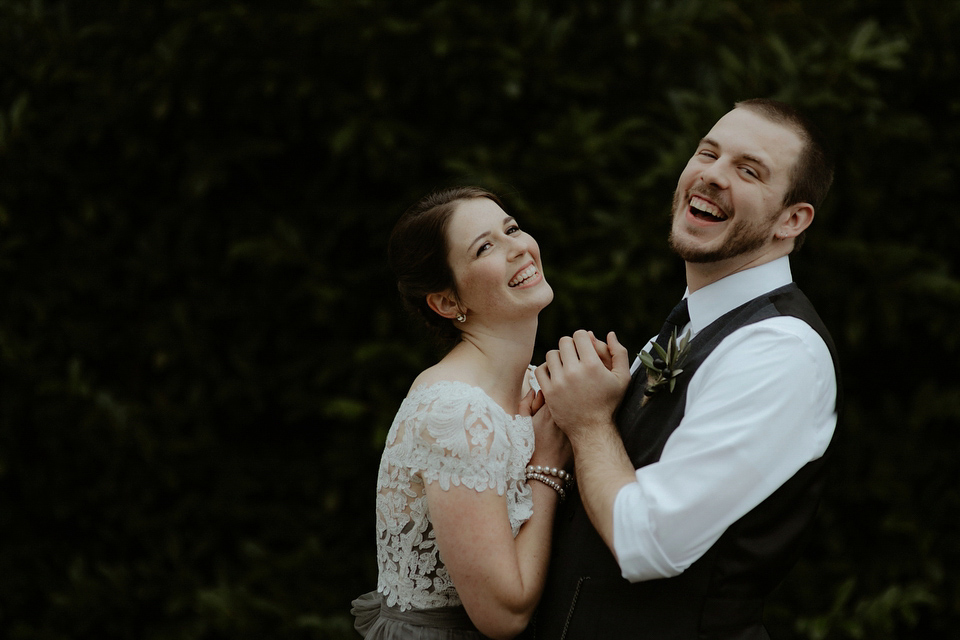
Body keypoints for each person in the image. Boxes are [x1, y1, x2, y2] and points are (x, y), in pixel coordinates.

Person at [529, 99, 842, 639]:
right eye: (707, 152)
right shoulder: (690, 325)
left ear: (792, 219)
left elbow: (647, 543)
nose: (713, 175)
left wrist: (587, 422)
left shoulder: (781, 351)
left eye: (749, 170)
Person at [351, 187, 573, 639]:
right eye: (485, 247)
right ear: (448, 303)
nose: (518, 247)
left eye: (511, 228)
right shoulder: (453, 413)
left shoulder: (533, 386)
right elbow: (503, 615)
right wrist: (546, 467)